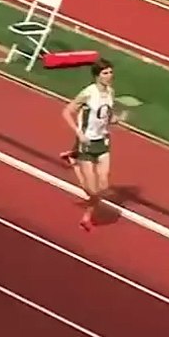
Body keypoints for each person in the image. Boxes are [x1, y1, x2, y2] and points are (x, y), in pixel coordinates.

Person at [60, 60, 127, 231]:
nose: (109, 76)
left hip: (103, 140)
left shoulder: (111, 92)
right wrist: (79, 133)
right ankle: (74, 160)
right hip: (87, 142)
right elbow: (67, 112)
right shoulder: (88, 93)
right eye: (105, 73)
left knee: (103, 187)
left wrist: (116, 119)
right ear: (97, 75)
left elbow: (105, 115)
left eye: (110, 72)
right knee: (91, 190)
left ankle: (87, 216)